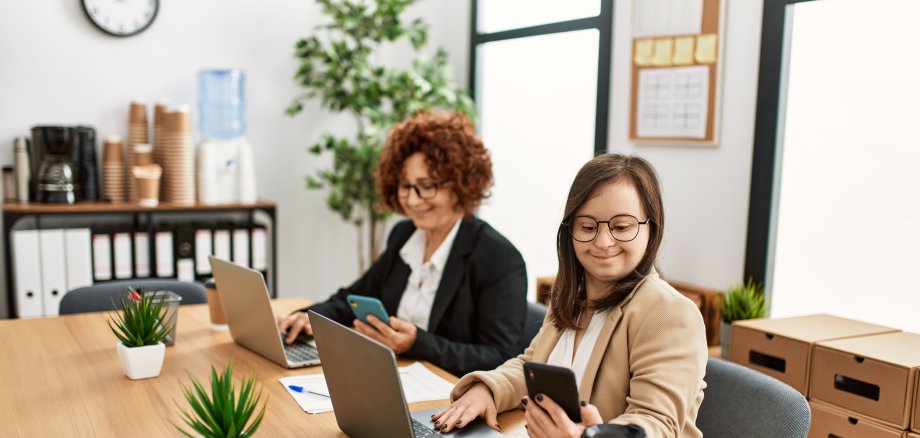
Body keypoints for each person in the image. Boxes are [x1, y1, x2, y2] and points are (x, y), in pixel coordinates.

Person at [433, 154, 707, 437]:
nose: (603, 242)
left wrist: (589, 436)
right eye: (587, 227)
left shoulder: (670, 313)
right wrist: (487, 390)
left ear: (651, 227)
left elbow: (657, 423)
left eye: (622, 227)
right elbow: (533, 366)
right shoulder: (573, 295)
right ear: (570, 231)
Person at [277, 112, 528, 376]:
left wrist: (418, 344)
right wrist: (310, 316)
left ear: (461, 184)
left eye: (426, 186)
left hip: (452, 395)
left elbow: (501, 357)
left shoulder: (498, 258)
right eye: (405, 186)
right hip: (393, 376)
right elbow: (353, 299)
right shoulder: (405, 235)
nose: (413, 199)